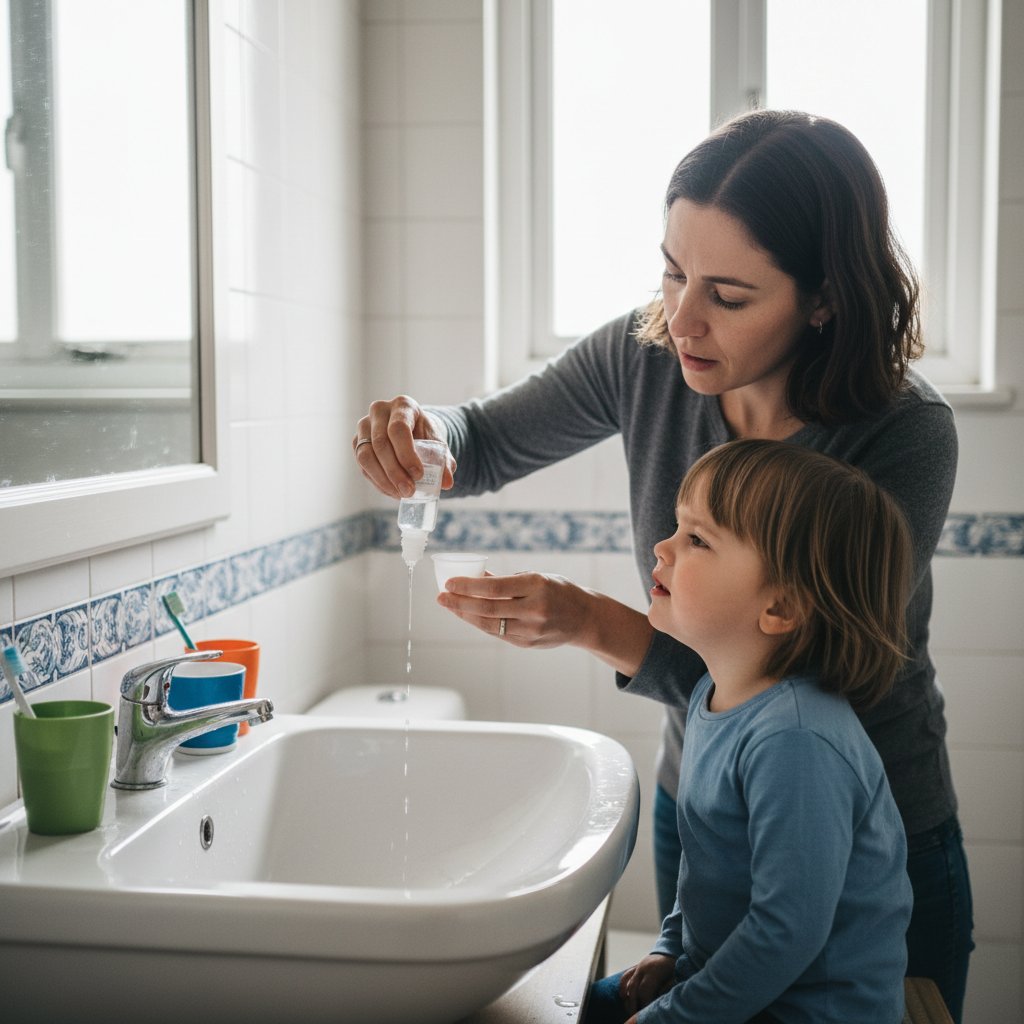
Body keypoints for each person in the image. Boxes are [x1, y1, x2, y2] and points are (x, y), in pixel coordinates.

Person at [352, 109, 972, 1020]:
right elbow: (477, 439)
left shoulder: (904, 434)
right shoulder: (643, 356)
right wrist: (425, 439)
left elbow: (793, 677)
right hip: (705, 796)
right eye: (673, 271)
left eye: (727, 295)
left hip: (875, 831)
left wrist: (590, 622)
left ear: (825, 299)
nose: (679, 320)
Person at [586, 439, 915, 1024]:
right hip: (733, 988)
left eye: (697, 539)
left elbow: (785, 932)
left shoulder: (795, 740)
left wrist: (674, 1015)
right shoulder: (715, 699)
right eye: (677, 527)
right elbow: (711, 868)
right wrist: (670, 947)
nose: (662, 547)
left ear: (780, 608)